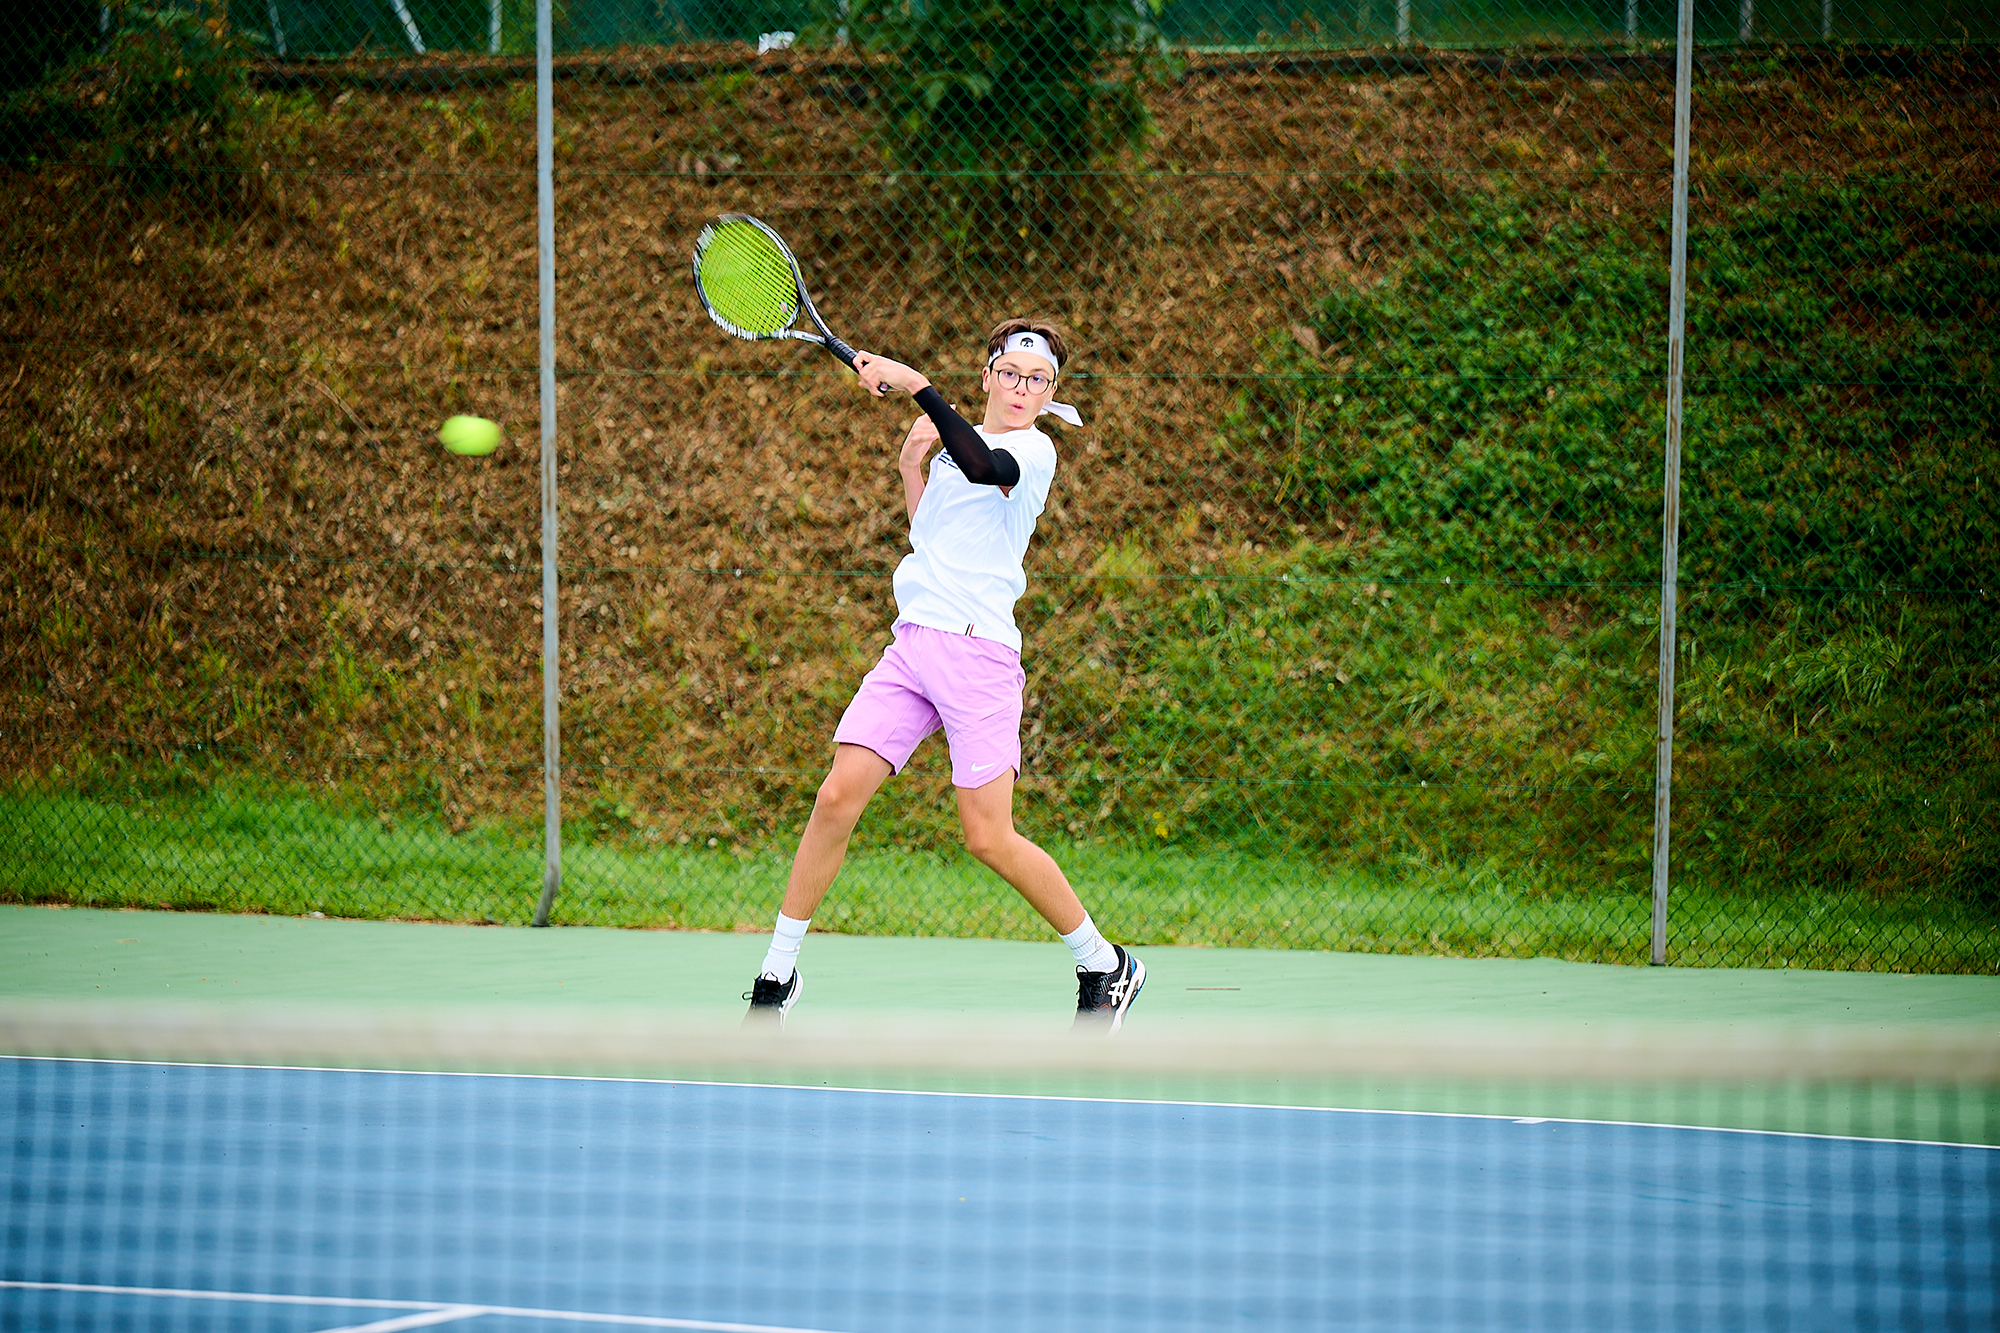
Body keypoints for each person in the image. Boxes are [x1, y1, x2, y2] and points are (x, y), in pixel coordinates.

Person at [742, 318, 1145, 1033]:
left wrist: (918, 385)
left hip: (979, 656)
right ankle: (777, 973)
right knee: (836, 796)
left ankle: (1103, 962)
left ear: (1050, 393)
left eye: (1038, 380)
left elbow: (986, 467)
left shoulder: (1033, 451)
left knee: (988, 837)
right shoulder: (956, 447)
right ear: (988, 376)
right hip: (912, 646)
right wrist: (911, 471)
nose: (1022, 387)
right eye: (1011, 372)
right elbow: (934, 540)